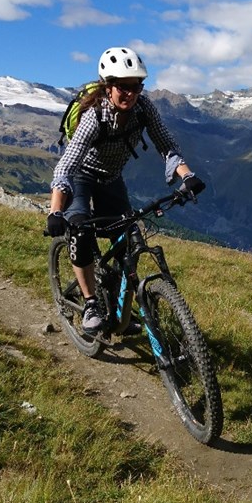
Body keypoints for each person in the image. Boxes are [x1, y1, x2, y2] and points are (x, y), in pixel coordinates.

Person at [46, 47, 205, 334]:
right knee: (81, 231)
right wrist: (56, 210)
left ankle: (121, 311)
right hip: (82, 176)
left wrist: (187, 176)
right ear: (108, 86)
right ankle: (92, 303)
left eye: (137, 86)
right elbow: (66, 166)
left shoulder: (144, 109)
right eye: (123, 86)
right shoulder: (94, 117)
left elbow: (166, 145)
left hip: (111, 178)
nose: (130, 93)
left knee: (127, 241)